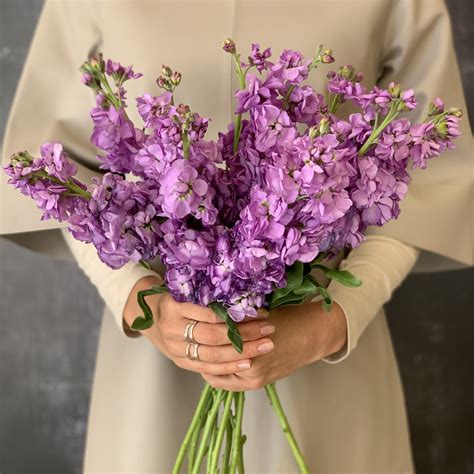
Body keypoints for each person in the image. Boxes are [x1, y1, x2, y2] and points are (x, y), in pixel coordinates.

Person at [1, 0, 472, 472]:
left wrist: (333, 323)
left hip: (326, 332)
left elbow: (429, 181)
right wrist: (137, 298)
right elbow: (53, 176)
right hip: (157, 351)